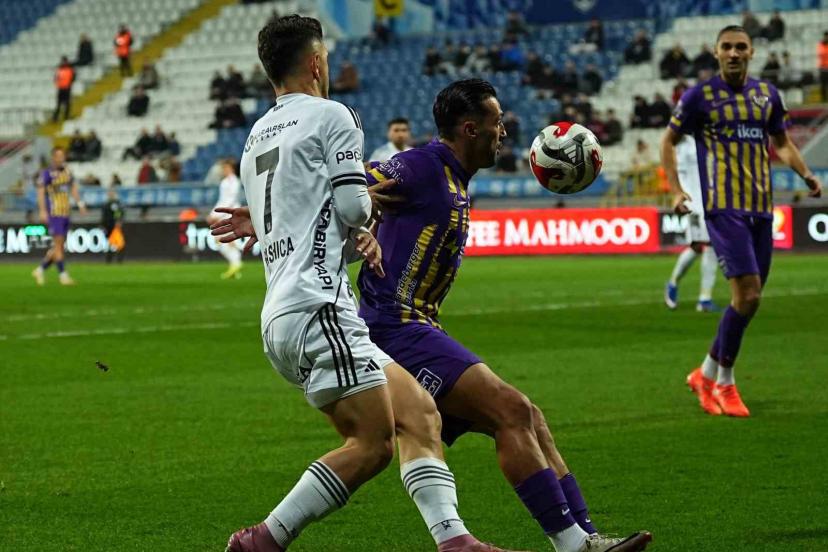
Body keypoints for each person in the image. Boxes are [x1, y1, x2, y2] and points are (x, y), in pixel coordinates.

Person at [216, 79, 653, 552]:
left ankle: (581, 538)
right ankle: (570, 545)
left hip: (416, 326)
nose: (504, 132)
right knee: (509, 411)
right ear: (470, 129)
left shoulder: (454, 179)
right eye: (496, 122)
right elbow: (356, 181)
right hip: (395, 327)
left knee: (515, 419)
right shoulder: (422, 166)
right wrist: (275, 217)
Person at [214, 16, 519, 552]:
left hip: (286, 310)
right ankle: (263, 539)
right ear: (316, 62)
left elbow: (302, 219)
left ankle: (455, 540)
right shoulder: (332, 114)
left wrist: (354, 238)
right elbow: (355, 205)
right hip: (320, 306)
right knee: (372, 444)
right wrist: (361, 226)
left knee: (420, 413)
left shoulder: (257, 135)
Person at [661, 25, 822, 417]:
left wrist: (806, 174)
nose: (733, 53)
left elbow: (782, 143)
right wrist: (676, 191)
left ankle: (704, 374)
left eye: (740, 47)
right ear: (716, 52)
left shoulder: (767, 95)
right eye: (727, 47)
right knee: (747, 296)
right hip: (723, 208)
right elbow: (668, 141)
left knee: (747, 301)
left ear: (751, 53)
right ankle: (725, 382)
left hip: (762, 208)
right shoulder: (700, 97)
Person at [664, 134, 720, 313]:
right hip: (692, 202)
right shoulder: (683, 139)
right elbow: (668, 140)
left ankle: (680, 287)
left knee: (701, 246)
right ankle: (701, 297)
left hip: (707, 201)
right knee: (705, 245)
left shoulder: (705, 139)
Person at [32, 147, 86, 286]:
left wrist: (80, 203)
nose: (62, 158)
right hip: (54, 212)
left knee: (59, 246)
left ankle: (40, 270)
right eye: (59, 156)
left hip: (65, 212)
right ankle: (63, 276)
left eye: (63, 156)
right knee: (58, 245)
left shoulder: (67, 171)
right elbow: (40, 192)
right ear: (54, 157)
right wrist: (42, 211)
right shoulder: (47, 173)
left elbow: (73, 188)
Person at [207, 159, 244, 279]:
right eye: (223, 168)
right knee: (226, 240)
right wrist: (213, 213)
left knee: (223, 239)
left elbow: (231, 200)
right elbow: (222, 200)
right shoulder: (224, 182)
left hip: (231, 213)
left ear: (231, 168)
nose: (224, 170)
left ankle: (236, 263)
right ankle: (235, 267)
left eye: (226, 168)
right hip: (225, 213)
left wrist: (217, 215)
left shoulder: (235, 181)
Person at [101, 188, 125, 263]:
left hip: (115, 226)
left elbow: (118, 213)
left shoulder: (116, 203)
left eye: (112, 193)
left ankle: (119, 259)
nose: (110, 194)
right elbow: (104, 216)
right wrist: (103, 225)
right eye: (109, 193)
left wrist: (118, 221)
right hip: (107, 226)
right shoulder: (106, 204)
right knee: (110, 243)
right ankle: (109, 259)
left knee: (118, 243)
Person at [52, 56, 75, 122]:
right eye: (63, 61)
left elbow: (73, 78)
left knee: (67, 103)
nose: (64, 62)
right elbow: (55, 78)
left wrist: (69, 84)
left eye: (64, 61)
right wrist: (58, 84)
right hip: (61, 88)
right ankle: (55, 117)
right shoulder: (59, 70)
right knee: (59, 104)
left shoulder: (70, 69)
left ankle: (66, 116)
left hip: (67, 88)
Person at [819, 31, 828, 101]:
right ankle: (824, 98)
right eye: (826, 36)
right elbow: (822, 54)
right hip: (823, 67)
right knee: (823, 84)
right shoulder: (821, 44)